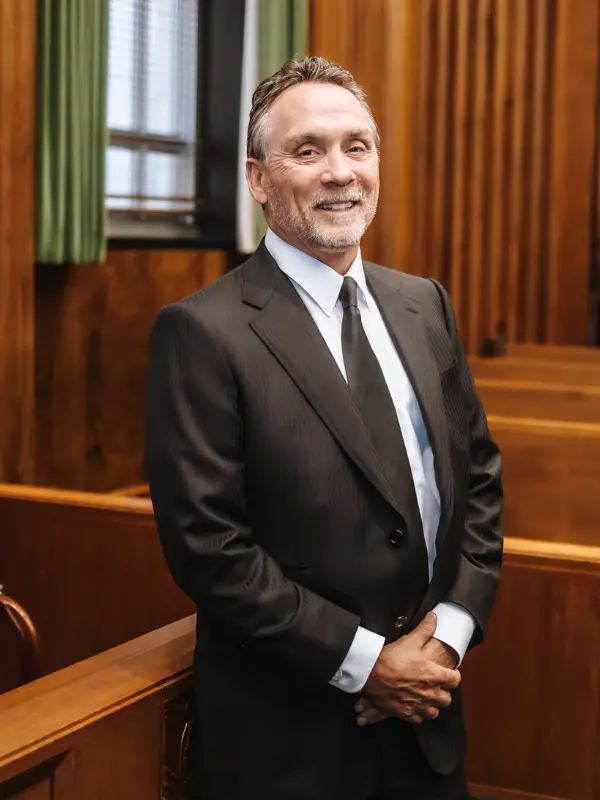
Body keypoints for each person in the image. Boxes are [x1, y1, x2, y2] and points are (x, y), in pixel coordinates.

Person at [146, 56, 503, 800]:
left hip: (429, 724)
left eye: (357, 146)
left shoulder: (424, 305)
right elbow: (211, 549)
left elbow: (479, 482)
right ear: (257, 178)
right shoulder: (203, 332)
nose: (340, 171)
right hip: (291, 742)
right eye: (307, 150)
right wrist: (371, 663)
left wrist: (446, 639)